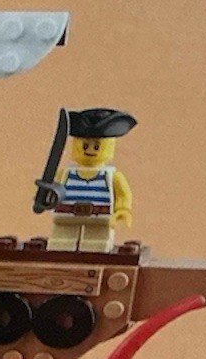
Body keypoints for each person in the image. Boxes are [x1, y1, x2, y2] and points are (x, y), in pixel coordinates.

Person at [43, 108, 136, 252]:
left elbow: (123, 194)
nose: (90, 150)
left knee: (96, 243)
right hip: (66, 216)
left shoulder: (112, 176)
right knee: (62, 242)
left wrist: (123, 209)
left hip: (100, 217)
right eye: (85, 145)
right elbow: (50, 189)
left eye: (97, 146)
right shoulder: (65, 174)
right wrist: (44, 196)